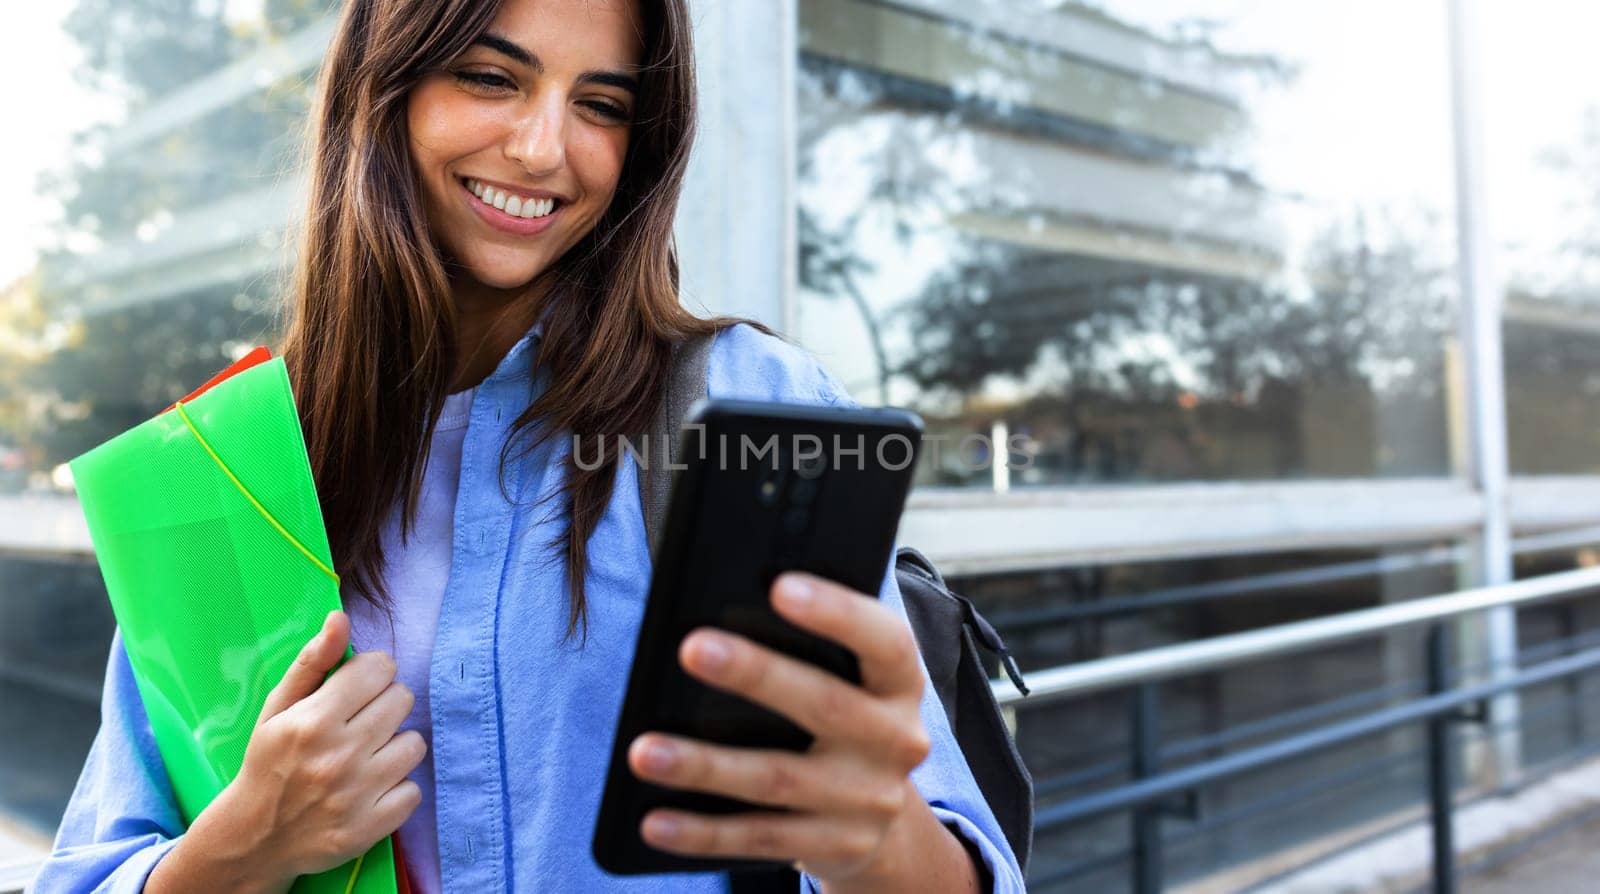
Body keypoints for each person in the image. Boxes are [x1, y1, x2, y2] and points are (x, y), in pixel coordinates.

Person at [34, 1, 1025, 891]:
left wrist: (870, 837)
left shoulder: (744, 405)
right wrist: (243, 845)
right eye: (490, 77)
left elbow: (943, 859)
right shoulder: (232, 466)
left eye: (600, 104)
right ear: (387, 91)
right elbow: (94, 863)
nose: (547, 148)